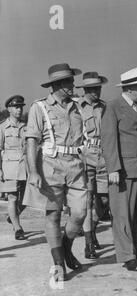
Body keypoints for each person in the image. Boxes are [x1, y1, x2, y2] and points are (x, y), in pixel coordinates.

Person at [23, 63, 87, 281]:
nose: (73, 85)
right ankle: (59, 263)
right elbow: (31, 141)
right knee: (54, 215)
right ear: (58, 84)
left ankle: (66, 248)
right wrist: (34, 172)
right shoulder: (39, 108)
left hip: (76, 165)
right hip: (50, 165)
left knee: (80, 213)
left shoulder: (78, 106)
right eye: (69, 81)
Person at [101, 67, 137, 272]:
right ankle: (127, 255)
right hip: (124, 170)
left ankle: (133, 246)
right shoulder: (113, 106)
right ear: (131, 88)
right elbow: (108, 139)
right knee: (122, 214)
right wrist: (113, 167)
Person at [75, 71, 109, 259]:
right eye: (93, 88)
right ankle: (89, 243)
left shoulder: (106, 107)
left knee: (104, 200)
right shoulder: (77, 108)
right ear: (85, 89)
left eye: (98, 87)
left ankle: (92, 229)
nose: (96, 91)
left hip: (104, 156)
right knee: (87, 200)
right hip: (85, 155)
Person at [0, 95, 27, 240]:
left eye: (21, 106)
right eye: (16, 107)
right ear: (9, 109)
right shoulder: (3, 127)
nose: (19, 109)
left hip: (25, 166)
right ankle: (18, 228)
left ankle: (13, 216)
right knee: (12, 197)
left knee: (28, 197)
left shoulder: (26, 126)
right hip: (9, 166)